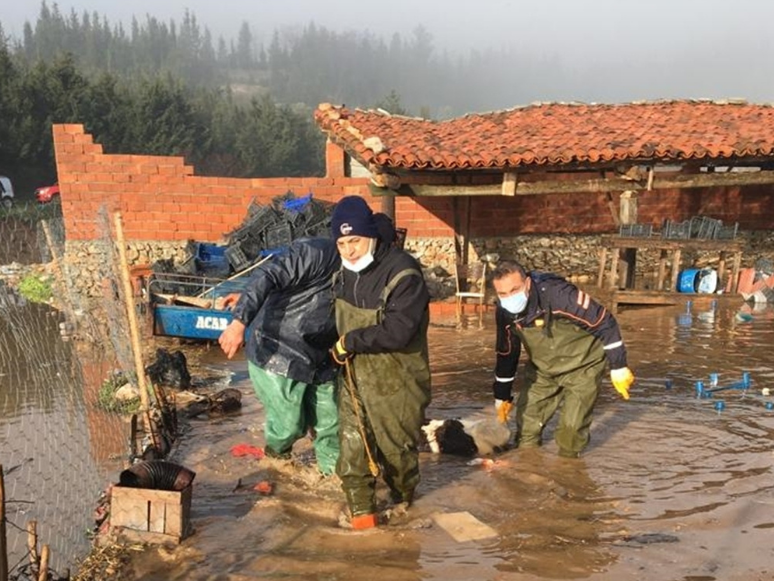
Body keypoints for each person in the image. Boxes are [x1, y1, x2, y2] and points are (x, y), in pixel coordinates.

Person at [328, 195, 431, 530]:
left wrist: (349, 342)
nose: (349, 250)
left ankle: (403, 503)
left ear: (371, 235)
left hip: (397, 379)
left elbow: (398, 332)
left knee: (397, 455)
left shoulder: (403, 274)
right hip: (355, 375)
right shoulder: (343, 274)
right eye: (341, 243)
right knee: (352, 451)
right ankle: (364, 528)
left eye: (354, 240)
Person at [218, 237, 341, 475]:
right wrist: (239, 322)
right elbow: (269, 275)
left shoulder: (368, 271)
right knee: (289, 426)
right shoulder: (315, 252)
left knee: (331, 424)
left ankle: (333, 481)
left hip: (324, 354)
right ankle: (275, 465)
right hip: (279, 350)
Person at [491, 259, 635, 458]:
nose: (509, 298)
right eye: (502, 294)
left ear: (528, 284)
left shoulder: (559, 295)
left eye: (514, 290)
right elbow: (507, 352)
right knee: (526, 427)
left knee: (571, 431)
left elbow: (604, 322)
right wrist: (502, 395)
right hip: (543, 369)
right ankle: (526, 472)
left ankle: (569, 472)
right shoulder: (504, 312)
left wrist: (618, 366)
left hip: (583, 365)